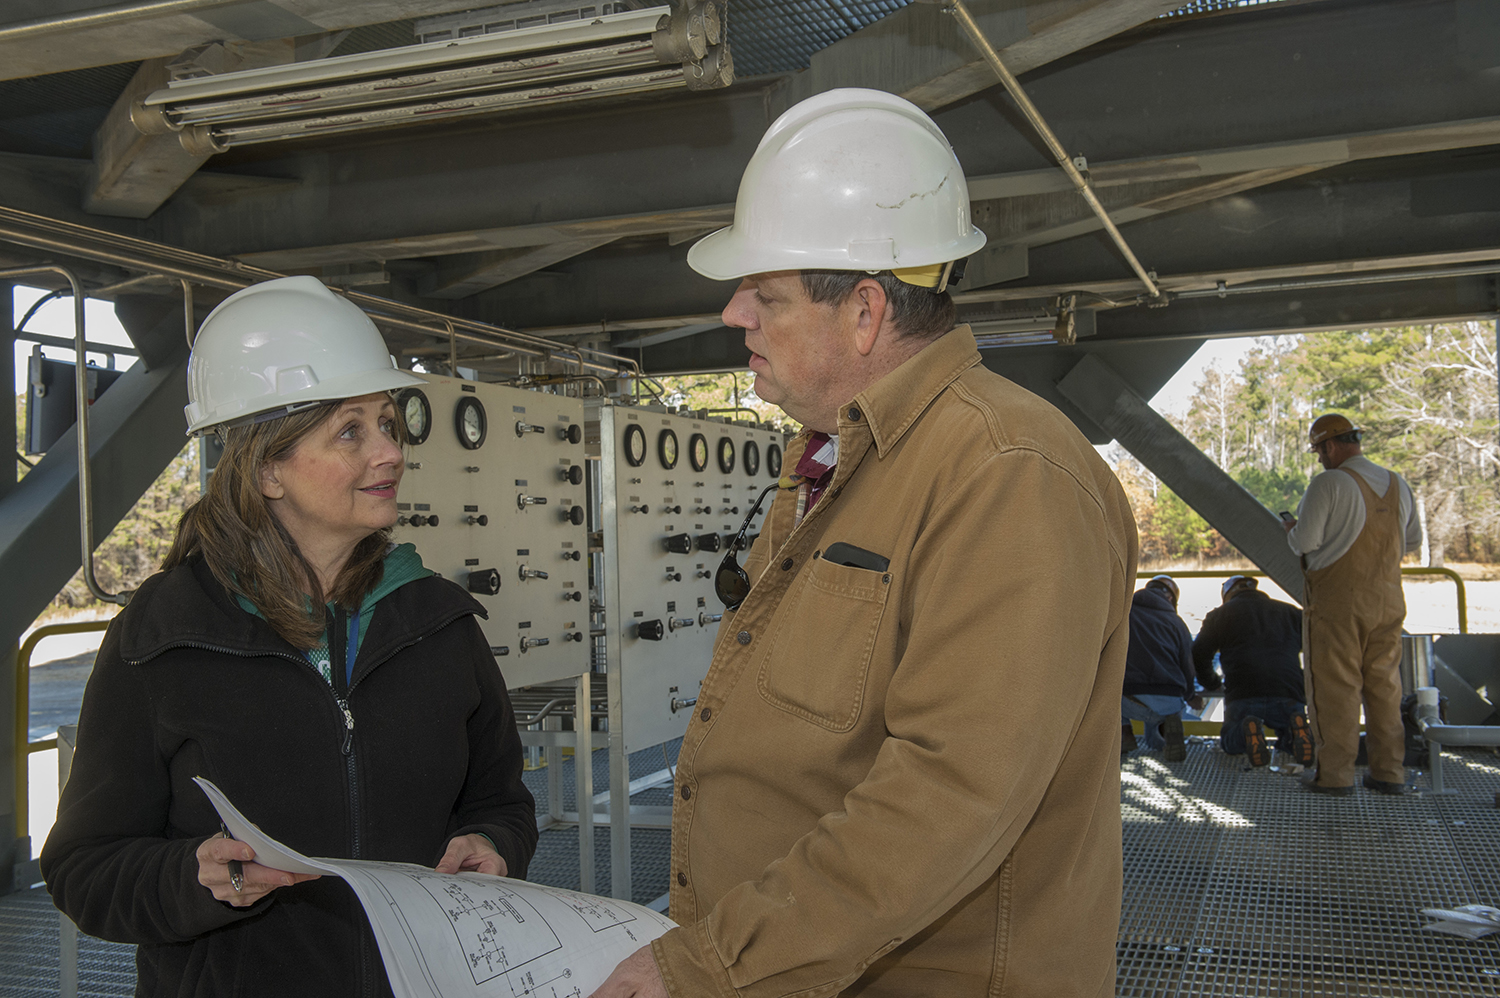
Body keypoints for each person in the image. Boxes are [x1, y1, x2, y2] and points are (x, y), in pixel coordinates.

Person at [592, 89, 1137, 998]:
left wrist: (713, 964)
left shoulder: (1008, 471)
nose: (735, 315)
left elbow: (949, 795)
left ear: (866, 313)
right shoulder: (837, 455)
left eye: (765, 294)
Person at [41, 276, 538, 996]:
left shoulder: (439, 623)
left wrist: (493, 845)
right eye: (351, 431)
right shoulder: (164, 639)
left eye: (389, 424)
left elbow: (501, 800)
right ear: (268, 467)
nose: (391, 453)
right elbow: (85, 869)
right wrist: (195, 876)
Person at [1284, 413, 1421, 796]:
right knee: (1385, 688)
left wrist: (1292, 530)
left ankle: (1335, 775)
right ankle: (1389, 772)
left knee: (1335, 688)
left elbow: (1306, 542)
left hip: (1338, 603)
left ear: (1329, 446)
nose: (1319, 459)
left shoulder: (1329, 483)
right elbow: (1411, 543)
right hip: (1389, 600)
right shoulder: (1399, 484)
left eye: (1318, 451)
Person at [1193, 575, 1313, 768]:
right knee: (1288, 728)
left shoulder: (1220, 615)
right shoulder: (1291, 612)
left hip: (1243, 692)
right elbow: (1318, 647)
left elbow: (1198, 653)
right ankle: (1295, 732)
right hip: (1289, 690)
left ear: (1228, 594)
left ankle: (1243, 731)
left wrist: (1212, 683)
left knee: (1230, 742)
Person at [1121, 575, 1197, 762]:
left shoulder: (1124, 615)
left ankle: (1124, 734)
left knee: (1105, 696)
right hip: (1169, 700)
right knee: (1156, 742)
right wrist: (1190, 696)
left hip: (1129, 700)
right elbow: (1187, 664)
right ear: (1170, 598)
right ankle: (1165, 733)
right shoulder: (1177, 622)